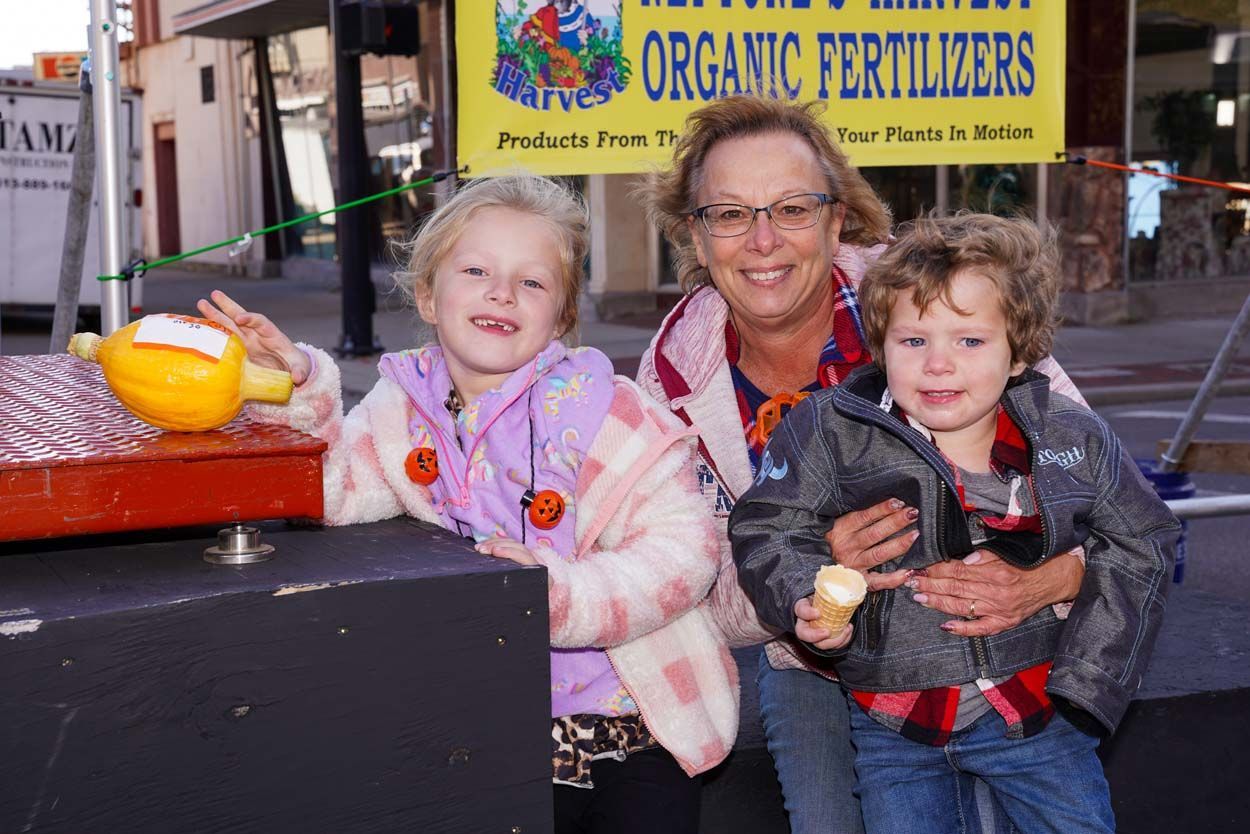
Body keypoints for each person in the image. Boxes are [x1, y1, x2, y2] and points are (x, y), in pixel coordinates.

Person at [196, 174, 739, 834]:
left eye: (533, 282)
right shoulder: (404, 407)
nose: (501, 291)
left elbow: (687, 552)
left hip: (629, 730)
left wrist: (557, 594)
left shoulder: (608, 410)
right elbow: (331, 492)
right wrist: (290, 385)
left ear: (564, 315)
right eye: (476, 269)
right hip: (484, 725)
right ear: (427, 294)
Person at [635, 95, 1090, 834]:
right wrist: (813, 578)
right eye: (728, 213)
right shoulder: (671, 382)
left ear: (836, 217)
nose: (761, 241)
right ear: (695, 232)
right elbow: (691, 589)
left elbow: (1097, 483)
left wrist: (1048, 580)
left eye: (790, 208)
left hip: (1004, 638)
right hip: (818, 664)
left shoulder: (940, 299)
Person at [729, 212, 1180, 834]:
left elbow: (1145, 537)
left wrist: (1090, 675)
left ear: (1020, 350)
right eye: (914, 341)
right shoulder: (831, 431)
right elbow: (767, 526)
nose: (938, 364)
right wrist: (805, 596)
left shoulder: (1071, 437)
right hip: (894, 721)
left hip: (1036, 710)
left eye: (969, 341)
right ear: (881, 346)